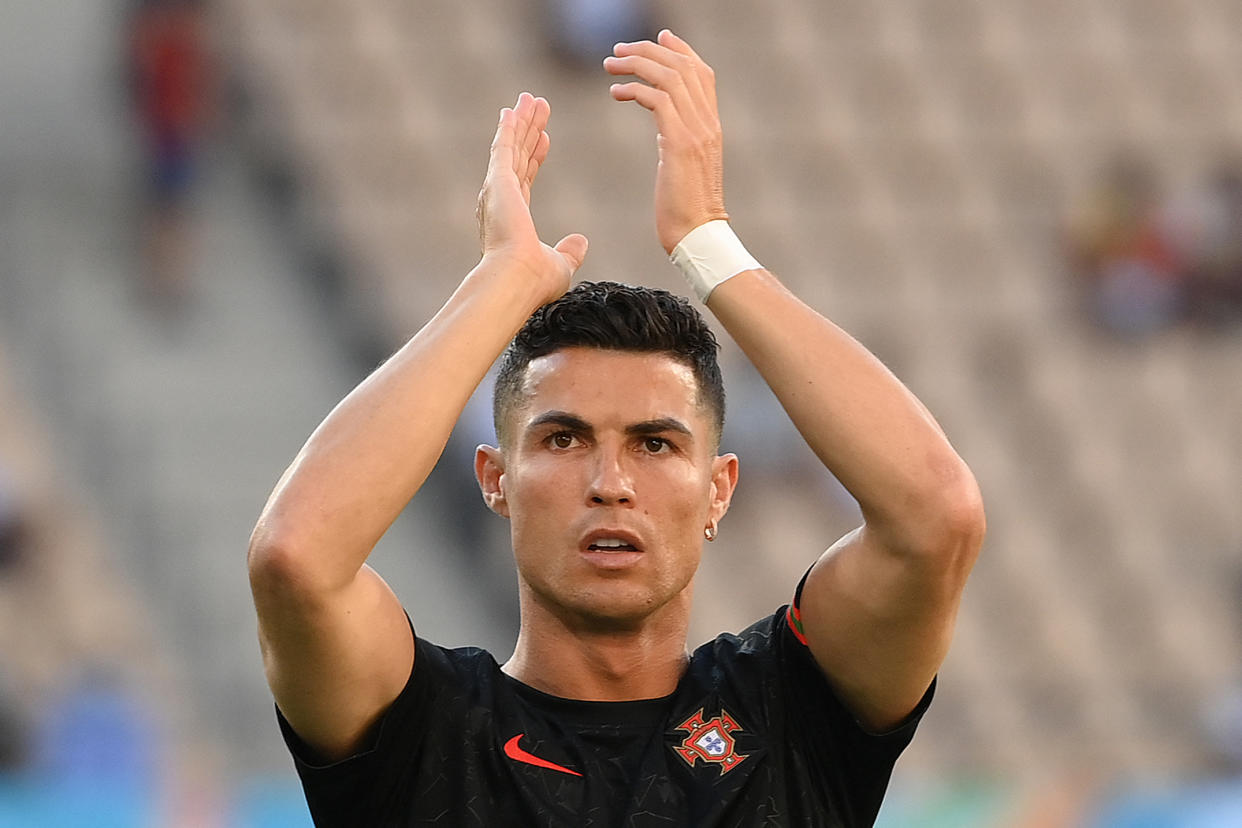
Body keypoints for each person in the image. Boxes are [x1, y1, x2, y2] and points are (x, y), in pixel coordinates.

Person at [248, 30, 985, 827]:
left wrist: (707, 242)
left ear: (719, 489)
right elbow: (297, 556)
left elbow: (936, 516)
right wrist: (503, 282)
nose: (611, 483)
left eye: (655, 443)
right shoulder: (430, 732)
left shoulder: (792, 711)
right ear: (495, 478)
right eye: (563, 439)